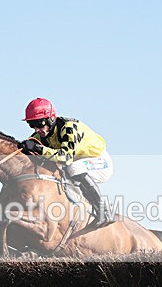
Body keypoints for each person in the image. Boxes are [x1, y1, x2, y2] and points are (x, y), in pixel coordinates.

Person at [17, 97, 115, 226]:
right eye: (31, 125)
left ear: (51, 118)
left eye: (39, 123)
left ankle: (105, 211)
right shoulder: (39, 136)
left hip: (100, 162)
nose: (36, 129)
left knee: (74, 168)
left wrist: (40, 149)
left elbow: (66, 157)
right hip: (78, 164)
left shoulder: (69, 127)